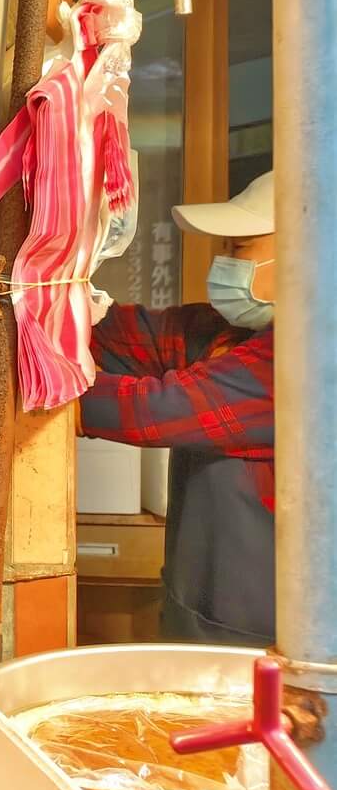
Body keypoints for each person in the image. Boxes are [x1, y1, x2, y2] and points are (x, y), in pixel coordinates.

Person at [80, 171, 276, 646]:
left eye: (238, 248)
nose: (222, 262)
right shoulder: (228, 334)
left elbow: (151, 410)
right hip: (198, 607)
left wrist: (46, 381)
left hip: (260, 637)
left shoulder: (307, 363)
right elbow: (128, 336)